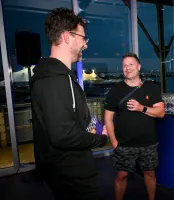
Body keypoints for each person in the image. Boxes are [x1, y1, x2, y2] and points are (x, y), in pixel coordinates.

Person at [30, 8, 108, 200]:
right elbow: (63, 135)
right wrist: (101, 139)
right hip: (73, 176)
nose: (85, 45)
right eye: (82, 38)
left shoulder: (57, 76)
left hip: (66, 172)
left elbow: (71, 120)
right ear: (66, 37)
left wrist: (93, 128)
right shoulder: (55, 80)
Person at [104, 52, 165, 200]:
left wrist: (141, 108)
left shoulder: (151, 87)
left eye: (131, 64)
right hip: (124, 143)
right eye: (125, 65)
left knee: (150, 173)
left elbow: (161, 112)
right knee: (122, 175)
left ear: (138, 66)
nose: (127, 68)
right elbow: (108, 117)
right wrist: (113, 142)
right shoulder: (116, 90)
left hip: (148, 143)